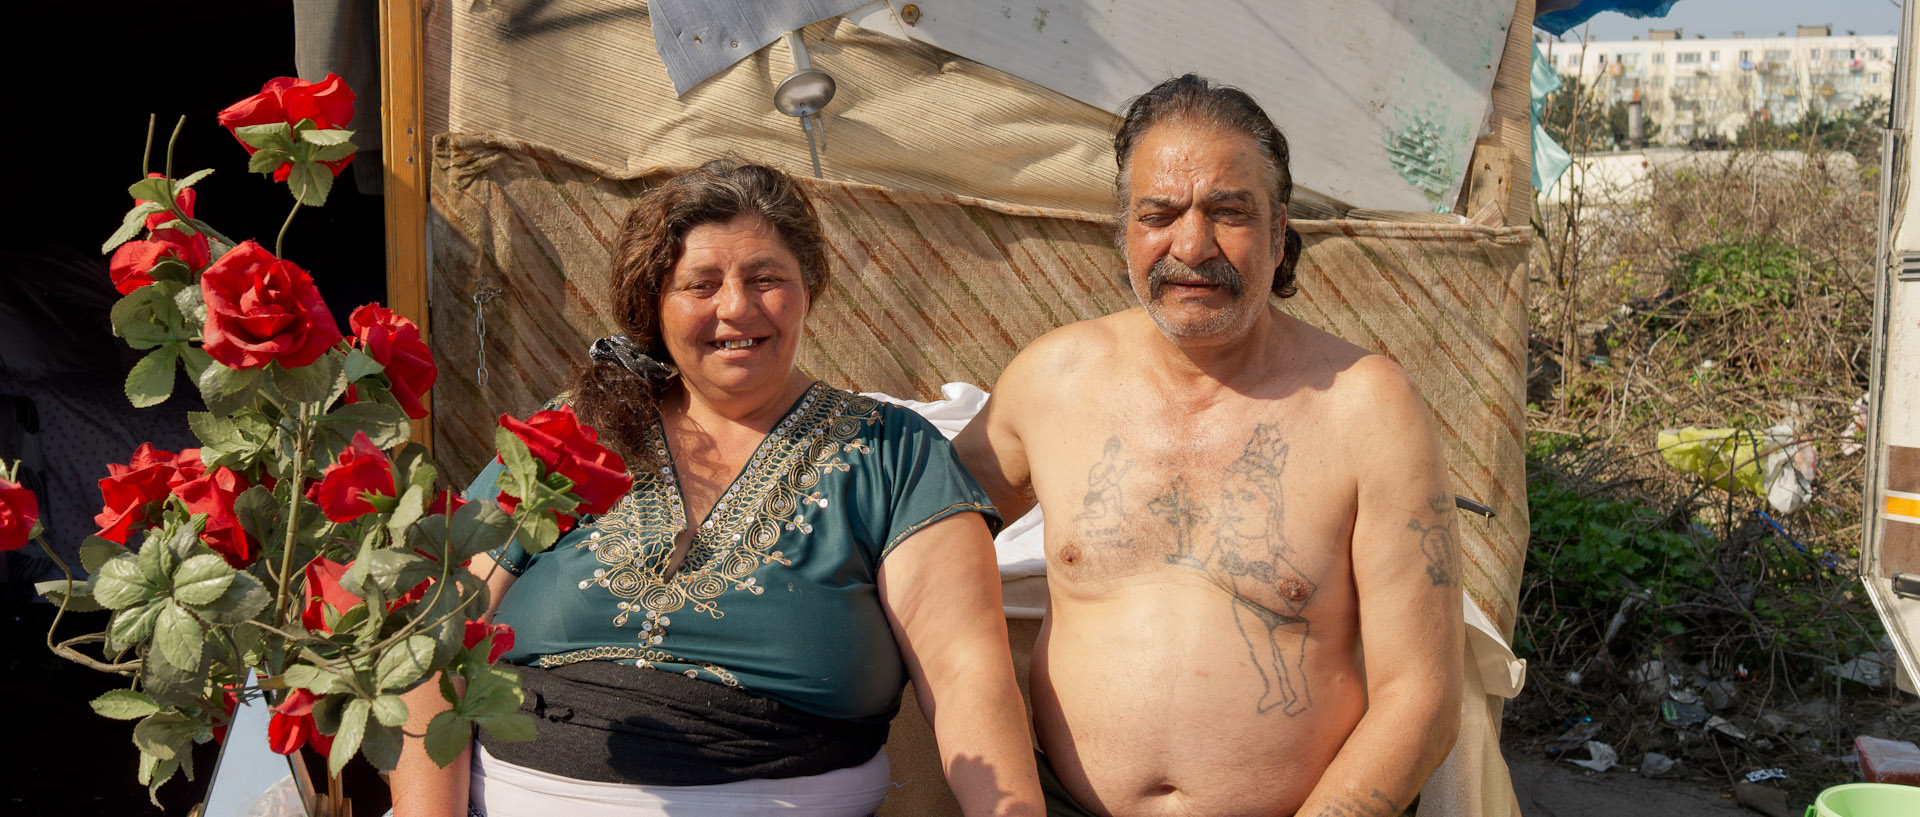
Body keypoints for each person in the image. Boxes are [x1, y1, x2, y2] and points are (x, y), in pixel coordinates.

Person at [391, 160, 1044, 817]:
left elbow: (968, 678)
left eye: (766, 279)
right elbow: (435, 637)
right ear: (655, 303)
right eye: (700, 283)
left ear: (809, 288)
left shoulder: (892, 454)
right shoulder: (575, 432)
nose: (735, 306)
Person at [954, 75, 1464, 817]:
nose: (1191, 245)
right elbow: (917, 542)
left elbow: (1423, 693)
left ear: (1280, 228)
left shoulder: (1368, 405)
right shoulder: (1050, 382)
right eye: (1159, 214)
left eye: (1229, 212)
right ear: (1125, 228)